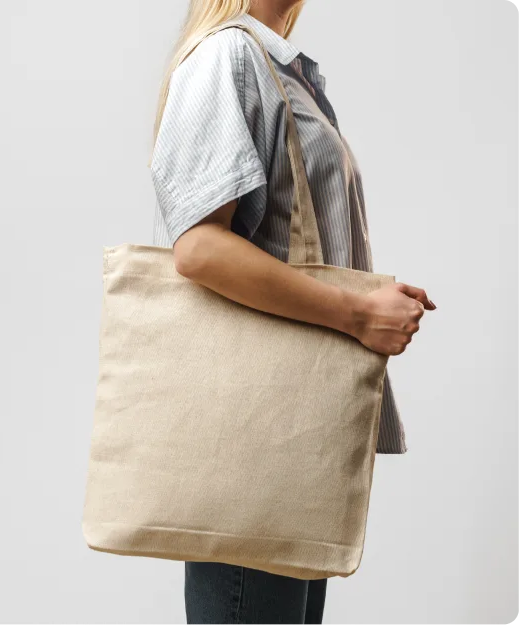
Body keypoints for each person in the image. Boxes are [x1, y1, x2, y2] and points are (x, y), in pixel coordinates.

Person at [148, 1, 436, 623]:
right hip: (257, 438)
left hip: (290, 435)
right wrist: (357, 314)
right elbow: (198, 247)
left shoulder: (281, 68)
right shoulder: (229, 56)